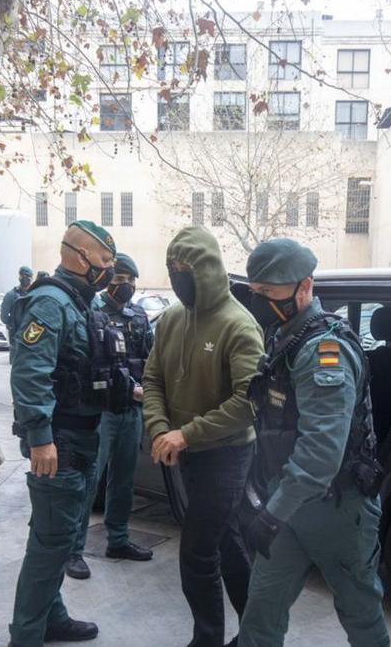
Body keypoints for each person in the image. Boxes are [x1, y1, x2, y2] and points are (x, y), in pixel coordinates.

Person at [237, 238, 390, 647]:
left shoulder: (325, 350)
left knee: (359, 610)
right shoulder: (284, 337)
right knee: (261, 610)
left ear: (304, 288)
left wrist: (272, 515)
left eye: (269, 294)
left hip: (336, 509)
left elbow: (321, 454)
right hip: (286, 502)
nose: (259, 302)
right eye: (255, 293)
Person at [144, 226, 264, 647]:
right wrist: (162, 429)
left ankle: (207, 639)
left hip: (227, 455)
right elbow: (153, 377)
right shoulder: (172, 319)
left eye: (186, 268)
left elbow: (249, 404)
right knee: (227, 542)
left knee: (197, 553)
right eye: (172, 268)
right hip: (188, 452)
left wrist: (187, 434)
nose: (178, 275)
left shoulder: (239, 324)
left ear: (209, 269)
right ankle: (258, 634)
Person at [8, 220, 124, 647]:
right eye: (105, 261)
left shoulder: (79, 303)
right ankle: (26, 634)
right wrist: (40, 437)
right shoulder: (50, 303)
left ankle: (51, 617)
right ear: (78, 257)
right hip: (59, 442)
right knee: (51, 541)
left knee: (57, 535)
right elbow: (29, 372)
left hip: (80, 438)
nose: (109, 270)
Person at [66, 253, 155, 580]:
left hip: (132, 410)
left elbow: (150, 361)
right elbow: (88, 364)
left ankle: (118, 539)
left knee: (124, 479)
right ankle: (73, 550)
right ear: (109, 282)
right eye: (119, 281)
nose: (125, 287)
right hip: (102, 411)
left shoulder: (140, 317)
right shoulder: (92, 314)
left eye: (130, 281)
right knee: (90, 481)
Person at [1, 265, 34, 343]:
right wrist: (13, 324)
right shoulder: (11, 295)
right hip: (18, 335)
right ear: (19, 277)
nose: (25, 279)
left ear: (31, 279)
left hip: (31, 334)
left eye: (27, 277)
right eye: (23, 276)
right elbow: (4, 316)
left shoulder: (34, 293)